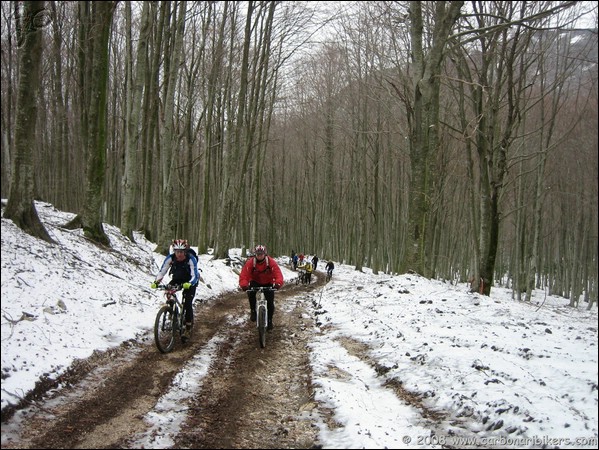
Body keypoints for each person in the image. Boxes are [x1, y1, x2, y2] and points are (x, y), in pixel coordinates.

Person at [151, 239, 199, 339]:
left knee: (187, 303)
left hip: (190, 281)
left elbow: (195, 275)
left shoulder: (191, 259)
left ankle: (188, 327)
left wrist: (190, 283)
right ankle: (172, 312)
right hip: (177, 279)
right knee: (168, 292)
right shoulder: (170, 258)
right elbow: (162, 271)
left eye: (181, 252)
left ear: (185, 252)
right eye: (177, 251)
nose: (179, 254)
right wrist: (156, 281)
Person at [239, 244, 284, 330]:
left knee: (270, 302)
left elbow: (278, 273)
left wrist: (278, 283)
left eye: (261, 254)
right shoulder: (251, 262)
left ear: (265, 254)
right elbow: (244, 275)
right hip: (255, 281)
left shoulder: (270, 262)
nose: (260, 256)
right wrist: (244, 285)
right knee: (251, 293)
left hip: (268, 282)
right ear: (255, 254)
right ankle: (253, 311)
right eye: (258, 254)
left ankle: (270, 320)